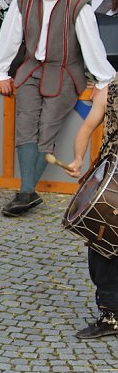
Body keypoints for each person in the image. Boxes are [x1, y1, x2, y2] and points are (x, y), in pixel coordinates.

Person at [0, 0, 116, 217]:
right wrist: (2, 71)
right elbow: (10, 36)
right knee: (25, 128)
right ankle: (27, 192)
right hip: (30, 70)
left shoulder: (77, 4)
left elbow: (91, 44)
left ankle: (25, 193)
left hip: (64, 73)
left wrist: (104, 80)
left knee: (46, 129)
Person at [66, 81, 118, 339]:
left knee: (104, 250)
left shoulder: (110, 90)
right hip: (111, 182)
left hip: (111, 182)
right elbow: (86, 129)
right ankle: (111, 314)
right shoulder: (111, 91)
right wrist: (77, 160)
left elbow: (86, 129)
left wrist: (79, 159)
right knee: (102, 249)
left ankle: (111, 316)